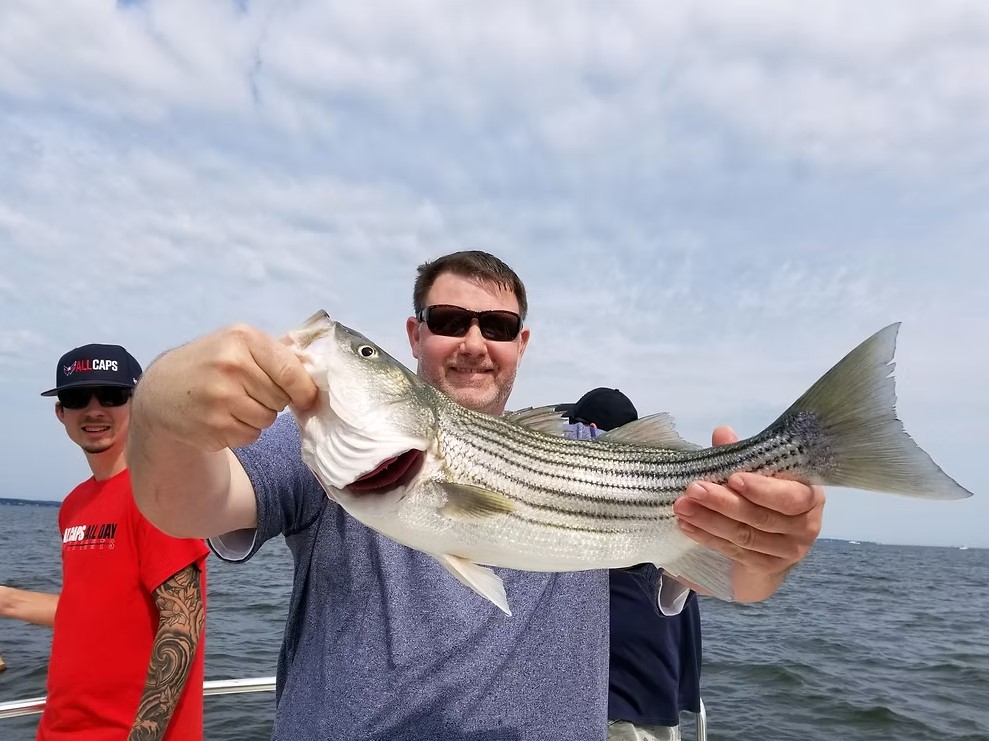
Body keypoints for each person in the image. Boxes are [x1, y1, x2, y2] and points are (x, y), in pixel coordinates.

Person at [127, 250, 825, 740]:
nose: (472, 342)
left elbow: (736, 572)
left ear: (521, 342)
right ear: (414, 335)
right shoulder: (316, 447)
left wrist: (767, 546)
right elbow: (182, 503)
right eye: (448, 319)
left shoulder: (590, 451)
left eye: (494, 326)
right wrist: (160, 409)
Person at [0, 343, 209, 741]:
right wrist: (6, 600)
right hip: (59, 728)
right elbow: (88, 611)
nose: (94, 410)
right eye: (77, 398)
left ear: (139, 406)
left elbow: (183, 621)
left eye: (112, 396)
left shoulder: (158, 491)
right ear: (60, 412)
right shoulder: (74, 505)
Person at [562, 387, 702, 741]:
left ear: (590, 431)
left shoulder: (600, 506)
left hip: (614, 716)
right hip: (663, 708)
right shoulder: (672, 512)